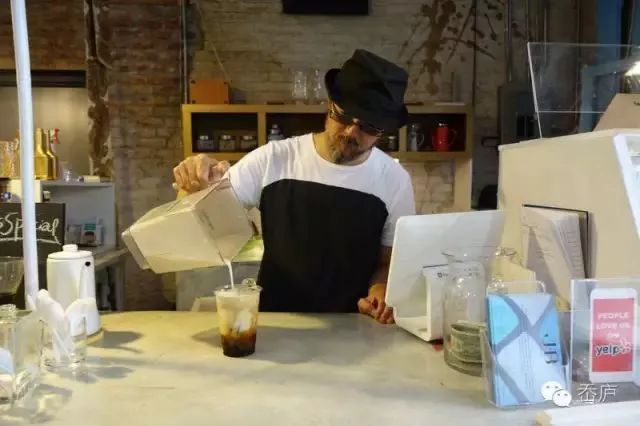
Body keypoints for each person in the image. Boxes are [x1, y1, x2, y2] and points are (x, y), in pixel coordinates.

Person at [173, 49, 415, 323]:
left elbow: (387, 263)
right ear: (330, 104)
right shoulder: (273, 159)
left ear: (383, 131)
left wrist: (379, 290)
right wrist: (195, 184)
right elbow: (202, 217)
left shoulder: (394, 180)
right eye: (344, 116)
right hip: (276, 323)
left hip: (354, 325)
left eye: (368, 127)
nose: (351, 132)